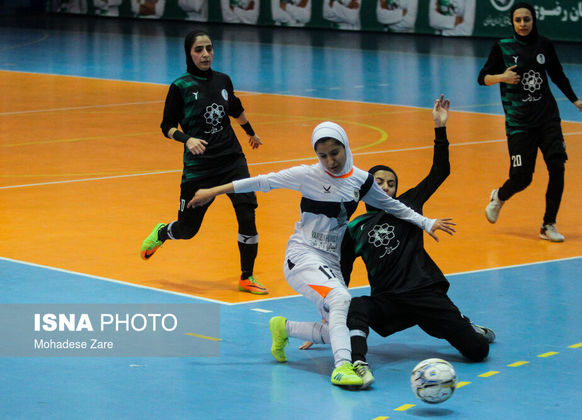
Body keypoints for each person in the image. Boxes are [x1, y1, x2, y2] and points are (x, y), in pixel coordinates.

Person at [188, 121, 456, 387]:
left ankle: (284, 328)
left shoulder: (362, 181)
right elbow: (261, 181)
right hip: (302, 255)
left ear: (346, 147)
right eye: (323, 155)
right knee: (340, 297)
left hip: (330, 261)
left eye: (334, 153)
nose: (330, 161)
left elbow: (393, 206)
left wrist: (427, 222)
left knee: (338, 328)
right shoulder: (307, 175)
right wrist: (213, 191)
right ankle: (342, 368)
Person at [275, 96, 493, 389]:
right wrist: (329, 322)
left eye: (391, 183)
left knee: (478, 351)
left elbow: (440, 171)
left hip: (425, 293)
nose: (386, 187)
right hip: (390, 300)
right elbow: (340, 276)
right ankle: (358, 362)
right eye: (379, 182)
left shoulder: (409, 205)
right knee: (355, 305)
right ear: (366, 188)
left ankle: (465, 324)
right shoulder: (353, 228)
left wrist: (440, 128)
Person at [140, 30, 268, 295]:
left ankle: (247, 276)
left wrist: (251, 133)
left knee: (247, 213)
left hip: (232, 160)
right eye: (199, 49)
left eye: (209, 48)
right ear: (189, 53)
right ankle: (163, 233)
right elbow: (166, 126)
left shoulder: (223, 80)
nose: (206, 54)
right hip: (199, 168)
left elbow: (235, 109)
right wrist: (187, 139)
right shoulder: (180, 86)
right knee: (188, 229)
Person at [477, 2, 582, 242]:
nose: (523, 24)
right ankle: (499, 197)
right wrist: (502, 77)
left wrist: (575, 99)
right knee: (522, 177)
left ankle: (548, 225)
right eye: (518, 20)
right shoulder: (502, 46)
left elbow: (557, 75)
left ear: (534, 20)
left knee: (557, 166)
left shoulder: (544, 45)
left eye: (526, 19)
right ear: (512, 22)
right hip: (519, 123)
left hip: (547, 118)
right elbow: (482, 78)